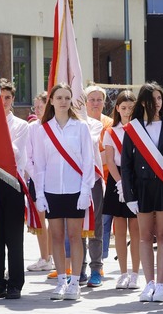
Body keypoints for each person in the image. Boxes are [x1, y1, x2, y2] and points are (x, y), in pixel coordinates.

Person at [32, 83, 95, 301]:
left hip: (76, 189)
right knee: (56, 237)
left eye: (67, 98)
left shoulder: (81, 127)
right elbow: (38, 165)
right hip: (51, 190)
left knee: (74, 237)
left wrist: (86, 190)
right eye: (59, 97)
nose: (63, 102)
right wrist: (39, 194)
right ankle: (61, 280)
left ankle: (75, 282)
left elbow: (89, 160)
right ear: (51, 100)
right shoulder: (42, 130)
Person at [121, 82, 163, 304]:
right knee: (144, 237)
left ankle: (161, 285)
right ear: (143, 102)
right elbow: (126, 165)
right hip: (142, 188)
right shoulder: (133, 129)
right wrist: (129, 195)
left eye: (160, 98)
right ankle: (149, 284)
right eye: (152, 99)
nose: (157, 103)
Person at [0, 79, 30, 300]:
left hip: (12, 182)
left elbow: (17, 154)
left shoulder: (21, 126)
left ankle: (15, 283)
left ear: (13, 99)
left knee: (13, 236)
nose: (3, 102)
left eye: (7, 98)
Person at [100, 90, 141, 291]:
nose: (126, 112)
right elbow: (109, 160)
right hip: (116, 184)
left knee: (136, 231)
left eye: (130, 108)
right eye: (123, 108)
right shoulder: (110, 132)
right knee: (120, 232)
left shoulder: (140, 129)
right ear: (117, 109)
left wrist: (130, 185)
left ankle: (135, 274)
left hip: (136, 182)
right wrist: (118, 183)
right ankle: (123, 273)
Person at [83, 84, 111, 288]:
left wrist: (93, 160)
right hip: (78, 178)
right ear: (85, 102)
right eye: (91, 99)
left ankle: (96, 267)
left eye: (99, 99)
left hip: (101, 179)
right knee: (75, 226)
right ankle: (75, 268)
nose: (95, 103)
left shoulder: (108, 124)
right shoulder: (78, 122)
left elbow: (112, 152)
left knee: (97, 225)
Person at [26, 91, 54, 273]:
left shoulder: (53, 126)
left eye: (40, 107)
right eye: (35, 107)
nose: (37, 110)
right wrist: (36, 176)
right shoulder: (32, 128)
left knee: (55, 220)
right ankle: (44, 256)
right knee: (40, 219)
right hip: (36, 179)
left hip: (54, 179)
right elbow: (27, 156)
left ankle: (52, 256)